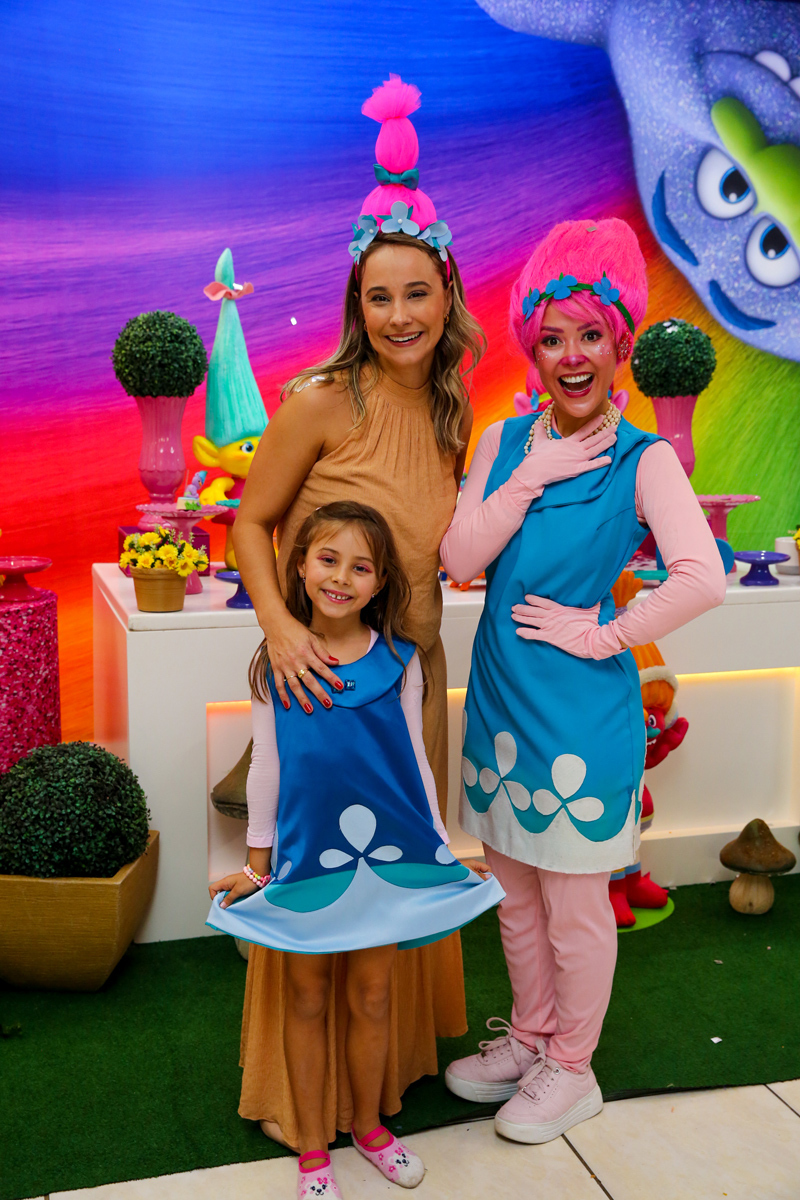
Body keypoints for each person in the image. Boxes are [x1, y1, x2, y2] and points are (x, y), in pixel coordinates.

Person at [229, 75, 486, 1147]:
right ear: (356, 304)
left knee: (404, 878)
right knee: (322, 884)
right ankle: (309, 1102)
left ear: (446, 293)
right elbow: (251, 526)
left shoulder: (455, 407)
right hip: (322, 674)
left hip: (411, 675)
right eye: (380, 298)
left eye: (417, 294)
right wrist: (282, 628)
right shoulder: (319, 400)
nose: (400, 316)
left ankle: (391, 1074)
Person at [440, 218, 726, 1143]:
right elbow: (459, 560)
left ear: (620, 344)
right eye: (552, 337)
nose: (571, 356)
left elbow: (703, 577)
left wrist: (607, 634)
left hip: (580, 718)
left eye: (590, 335)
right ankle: (530, 1037)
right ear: (532, 347)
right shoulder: (502, 442)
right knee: (515, 893)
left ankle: (573, 1066)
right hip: (500, 704)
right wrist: (530, 475)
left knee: (573, 907)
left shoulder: (645, 459)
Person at [209, 502, 502, 1199]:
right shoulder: (276, 662)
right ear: (300, 567)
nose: (341, 577)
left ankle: (369, 1129)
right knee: (306, 998)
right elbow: (267, 766)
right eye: (328, 559)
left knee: (372, 995)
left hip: (389, 861)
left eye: (360, 566)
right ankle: (314, 1151)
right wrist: (256, 865)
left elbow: (416, 764)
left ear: (380, 583)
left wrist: (440, 849)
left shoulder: (400, 660)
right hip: (308, 861)